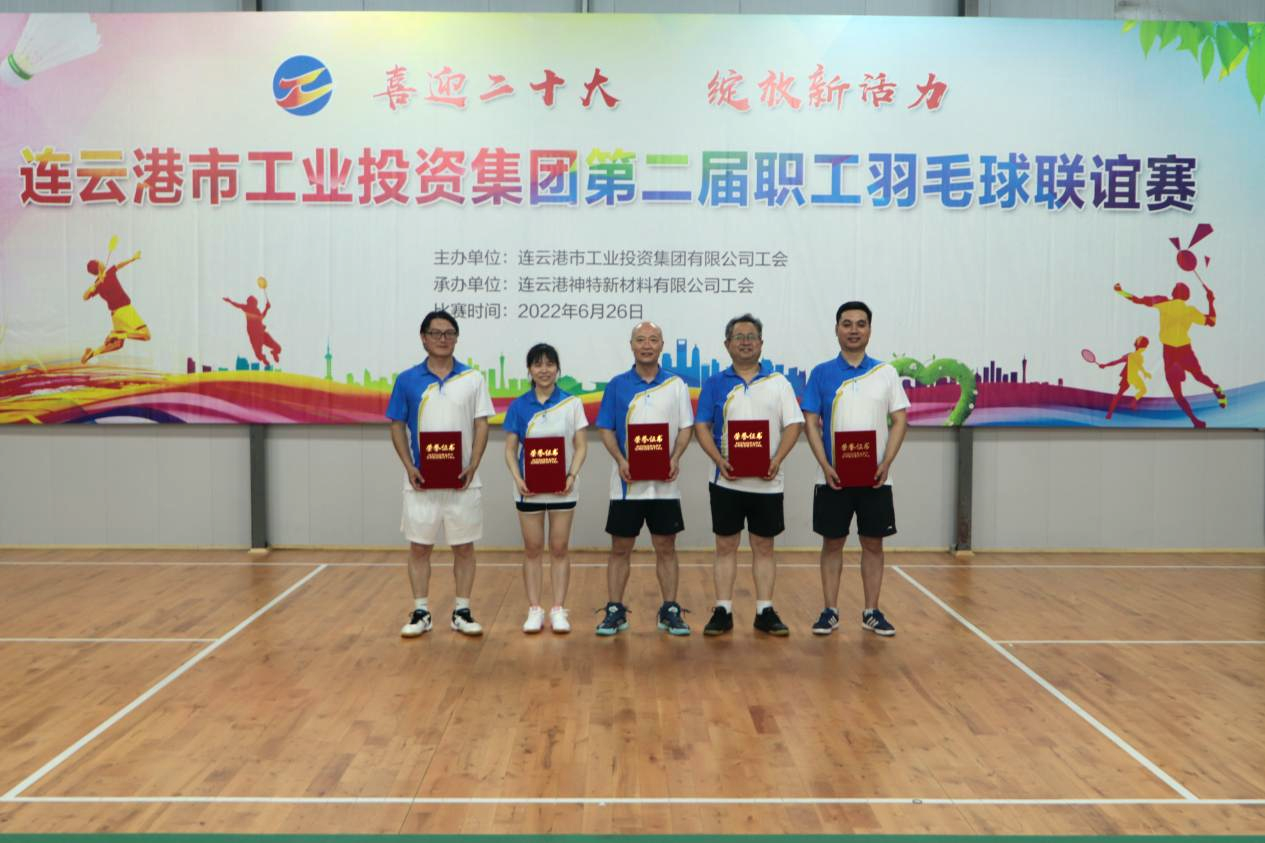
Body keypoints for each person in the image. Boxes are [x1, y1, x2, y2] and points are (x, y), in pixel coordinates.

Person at [802, 301, 909, 637]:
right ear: (836, 329)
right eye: (846, 324)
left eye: (860, 324)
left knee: (873, 544)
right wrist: (825, 464)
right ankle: (830, 611)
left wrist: (886, 462)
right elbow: (810, 421)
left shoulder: (885, 373)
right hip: (832, 478)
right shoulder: (821, 373)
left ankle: (871, 611)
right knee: (832, 543)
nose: (853, 330)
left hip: (875, 479)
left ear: (869, 330)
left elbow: (900, 419)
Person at [694, 314, 803, 636]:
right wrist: (718, 460)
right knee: (725, 545)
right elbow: (701, 426)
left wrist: (777, 459)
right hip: (725, 481)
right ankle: (723, 610)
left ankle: (764, 610)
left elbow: (793, 425)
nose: (745, 342)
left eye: (751, 336)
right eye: (739, 337)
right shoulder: (714, 383)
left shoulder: (779, 383)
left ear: (761, 343)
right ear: (727, 344)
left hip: (768, 483)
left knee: (764, 546)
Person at [387, 310, 493, 638]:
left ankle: (462, 610)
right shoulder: (407, 380)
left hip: (463, 481)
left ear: (456, 338)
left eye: (449, 333)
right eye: (436, 333)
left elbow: (481, 424)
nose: (443, 339)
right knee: (419, 548)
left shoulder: (473, 379)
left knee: (464, 548)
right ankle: (421, 611)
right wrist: (409, 467)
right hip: (421, 483)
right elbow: (396, 425)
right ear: (424, 338)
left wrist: (474, 464)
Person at [594, 321, 694, 636]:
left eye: (653, 339)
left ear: (662, 344)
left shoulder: (676, 385)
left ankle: (670, 609)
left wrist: (675, 458)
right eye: (641, 340)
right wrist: (621, 460)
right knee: (620, 547)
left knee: (666, 546)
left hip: (665, 486)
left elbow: (686, 428)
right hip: (626, 486)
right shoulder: (616, 385)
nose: (647, 345)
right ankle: (614, 609)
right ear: (632, 345)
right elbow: (606, 428)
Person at [502, 343, 588, 634]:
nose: (544, 370)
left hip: (564, 488)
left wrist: (572, 475)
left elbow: (581, 445)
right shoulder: (519, 406)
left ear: (557, 369)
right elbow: (510, 449)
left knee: (560, 548)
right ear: (529, 370)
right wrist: (518, 478)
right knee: (533, 549)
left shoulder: (571, 404)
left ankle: (559, 609)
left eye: (550, 364)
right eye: (538, 364)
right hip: (529, 489)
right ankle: (535, 609)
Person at [1113, 280, 1225, 428]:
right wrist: (1210, 302)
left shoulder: (1164, 302)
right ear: (1187, 296)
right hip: (1183, 350)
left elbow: (1137, 300)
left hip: (1172, 352)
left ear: (1173, 293)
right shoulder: (1189, 310)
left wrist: (1120, 291)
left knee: (1178, 393)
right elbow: (1212, 321)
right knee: (1198, 377)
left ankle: (1196, 419)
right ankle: (1215, 389)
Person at [81, 251, 150, 363]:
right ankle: (119, 334)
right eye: (100, 261)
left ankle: (92, 353)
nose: (103, 262)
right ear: (99, 266)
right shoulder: (107, 274)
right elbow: (120, 265)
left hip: (115, 315)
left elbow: (85, 297)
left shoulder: (99, 282)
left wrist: (96, 284)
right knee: (146, 335)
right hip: (125, 310)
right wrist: (133, 258)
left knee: (117, 345)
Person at [1097, 336, 1151, 420]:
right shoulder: (1130, 356)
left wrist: (1145, 372)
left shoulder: (1139, 356)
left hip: (1134, 376)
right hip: (1128, 377)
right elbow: (1116, 362)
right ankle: (1110, 413)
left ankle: (1132, 403)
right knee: (1119, 395)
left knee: (1143, 390)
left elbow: (1139, 366)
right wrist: (1105, 365)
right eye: (1144, 345)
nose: (1144, 348)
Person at [223, 293, 282, 367]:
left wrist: (266, 308)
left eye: (255, 303)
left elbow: (261, 317)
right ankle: (264, 358)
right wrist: (230, 301)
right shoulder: (247, 308)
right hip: (255, 337)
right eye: (253, 303)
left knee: (278, 348)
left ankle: (274, 353)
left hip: (262, 334)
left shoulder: (257, 310)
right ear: (249, 303)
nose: (255, 305)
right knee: (258, 355)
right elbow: (237, 305)